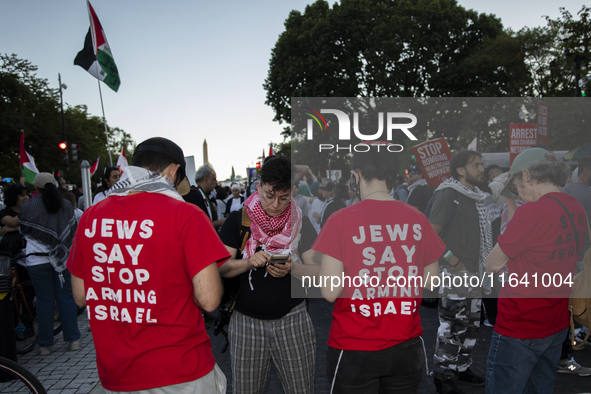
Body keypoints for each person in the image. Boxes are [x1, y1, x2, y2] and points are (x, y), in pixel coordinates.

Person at [68, 137, 229, 393]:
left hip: (118, 373)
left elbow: (80, 295)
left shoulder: (91, 217)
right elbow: (209, 300)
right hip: (180, 370)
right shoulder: (186, 214)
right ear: (174, 170)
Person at [313, 142, 444, 393]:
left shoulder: (340, 220)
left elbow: (330, 292)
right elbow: (432, 284)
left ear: (357, 174)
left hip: (354, 347)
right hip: (407, 346)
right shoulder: (417, 218)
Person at [485, 148, 588, 393]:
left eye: (518, 186)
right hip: (556, 322)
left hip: (520, 323)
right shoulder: (575, 207)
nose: (518, 193)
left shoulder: (531, 213)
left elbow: (492, 263)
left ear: (528, 176)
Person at [218, 156, 316, 394]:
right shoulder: (239, 219)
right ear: (258, 187)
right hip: (246, 323)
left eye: (284, 198)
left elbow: (319, 273)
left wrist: (294, 268)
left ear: (292, 191)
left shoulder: (300, 223)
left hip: (293, 320)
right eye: (269, 195)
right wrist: (249, 262)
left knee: (301, 389)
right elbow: (221, 267)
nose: (275, 204)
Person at [429, 150, 500, 394]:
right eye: (477, 165)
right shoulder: (449, 194)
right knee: (451, 326)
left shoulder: (478, 196)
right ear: (461, 170)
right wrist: (453, 261)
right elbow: (430, 234)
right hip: (455, 273)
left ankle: (461, 367)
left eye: (482, 164)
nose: (482, 169)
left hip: (476, 273)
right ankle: (442, 374)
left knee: (471, 325)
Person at [19, 172, 80, 356]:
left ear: (35, 188)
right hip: (62, 259)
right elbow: (71, 230)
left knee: (44, 302)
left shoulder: (28, 206)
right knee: (66, 299)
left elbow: (24, 230)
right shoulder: (66, 204)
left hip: (36, 260)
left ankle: (45, 345)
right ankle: (73, 341)